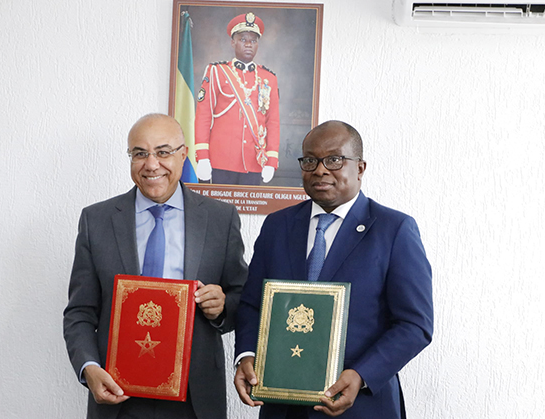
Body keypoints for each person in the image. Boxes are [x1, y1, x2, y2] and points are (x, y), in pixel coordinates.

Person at [233, 120, 433, 418]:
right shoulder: (278, 225)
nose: (320, 170)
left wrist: (362, 375)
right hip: (283, 405)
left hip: (360, 405)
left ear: (360, 168)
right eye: (310, 160)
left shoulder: (394, 230)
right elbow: (252, 304)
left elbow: (415, 324)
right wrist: (246, 354)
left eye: (334, 159)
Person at [63, 113, 248, 419]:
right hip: (118, 394)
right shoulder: (97, 221)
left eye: (163, 152)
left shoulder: (219, 219)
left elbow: (243, 298)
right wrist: (89, 368)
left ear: (183, 154)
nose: (151, 164)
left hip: (194, 398)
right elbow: (80, 312)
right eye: (140, 153)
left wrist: (223, 306)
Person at [194, 12, 280, 186]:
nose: (248, 44)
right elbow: (203, 117)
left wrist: (271, 160)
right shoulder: (217, 72)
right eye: (243, 39)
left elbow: (273, 122)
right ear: (232, 42)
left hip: (255, 162)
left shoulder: (268, 78)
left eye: (253, 41)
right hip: (221, 161)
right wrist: (203, 156)